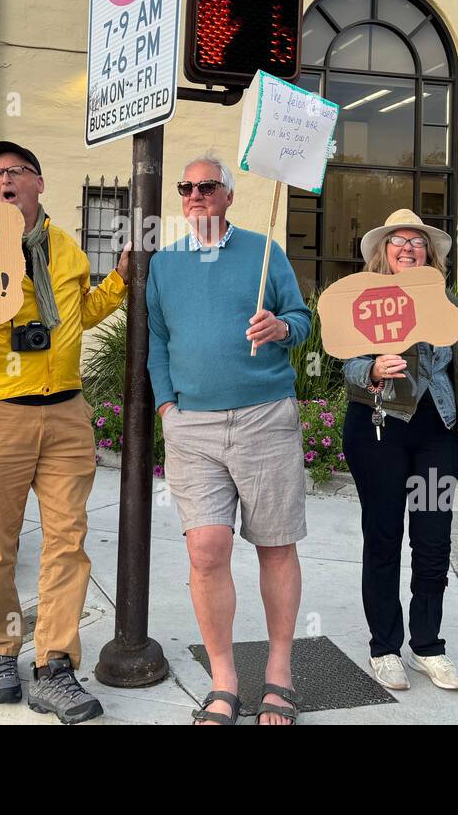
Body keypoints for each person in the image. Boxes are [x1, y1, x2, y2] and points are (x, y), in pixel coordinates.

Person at [0, 140, 128, 724]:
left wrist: (120, 281)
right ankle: (0, 652)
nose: (3, 180)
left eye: (15, 171)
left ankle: (55, 665)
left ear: (39, 184)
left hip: (65, 413)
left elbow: (77, 312)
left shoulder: (65, 248)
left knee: (68, 543)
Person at [147, 155, 312, 725]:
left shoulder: (265, 251)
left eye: (207, 186)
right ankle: (224, 677)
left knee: (275, 544)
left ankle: (279, 673)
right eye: (186, 186)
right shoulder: (164, 263)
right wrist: (168, 405)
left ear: (228, 197)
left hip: (265, 416)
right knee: (206, 549)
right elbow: (158, 341)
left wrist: (283, 327)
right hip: (193, 426)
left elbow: (302, 319)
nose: (195, 194)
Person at [340, 209, 458, 694]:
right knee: (383, 539)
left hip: (435, 432)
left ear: (430, 254)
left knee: (433, 539)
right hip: (378, 427)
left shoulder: (446, 303)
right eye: (398, 241)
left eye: (417, 242)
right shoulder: (363, 299)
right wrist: (372, 370)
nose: (407, 248)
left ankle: (427, 646)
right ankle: (384, 647)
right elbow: (343, 366)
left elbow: (452, 373)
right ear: (384, 252)